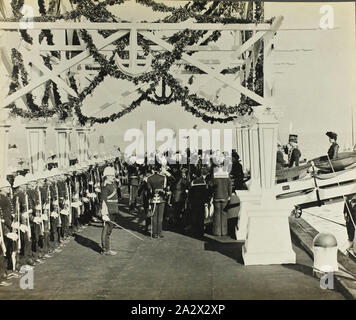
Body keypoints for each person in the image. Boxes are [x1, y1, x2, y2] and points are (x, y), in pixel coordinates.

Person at [146, 162, 168, 239]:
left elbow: (149, 191)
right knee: (160, 217)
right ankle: (159, 233)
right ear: (159, 169)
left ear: (153, 169)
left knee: (154, 217)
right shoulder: (163, 177)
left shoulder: (149, 178)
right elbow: (165, 188)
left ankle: (154, 233)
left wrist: (149, 199)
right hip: (161, 199)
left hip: (153, 199)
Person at [211, 158, 232, 237]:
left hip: (216, 196)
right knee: (224, 214)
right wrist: (229, 195)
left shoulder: (215, 174)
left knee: (217, 214)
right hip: (225, 196)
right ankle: (224, 232)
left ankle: (217, 232)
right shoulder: (226, 173)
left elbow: (212, 185)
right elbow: (230, 185)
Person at [100, 166, 119, 256]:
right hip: (109, 210)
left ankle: (107, 248)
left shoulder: (111, 184)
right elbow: (103, 201)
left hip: (114, 209)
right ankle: (106, 249)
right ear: (107, 176)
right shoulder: (105, 186)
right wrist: (104, 213)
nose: (113, 177)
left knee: (109, 230)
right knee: (106, 230)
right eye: (112, 176)